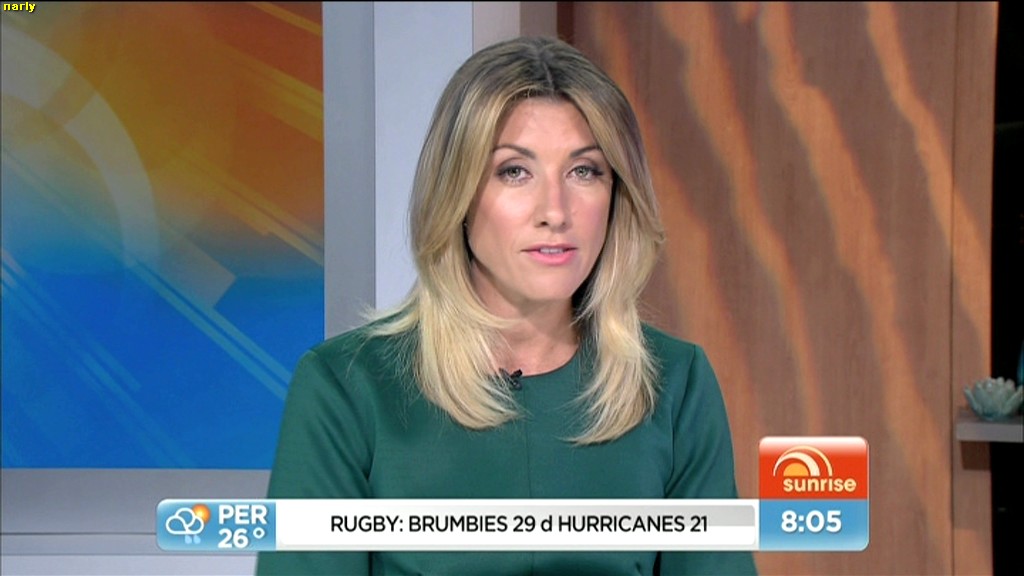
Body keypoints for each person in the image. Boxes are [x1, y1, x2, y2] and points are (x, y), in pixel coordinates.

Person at [256, 35, 757, 576]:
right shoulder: (347, 387)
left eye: (584, 171)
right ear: (458, 193)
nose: (555, 211)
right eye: (515, 171)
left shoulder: (675, 384)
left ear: (617, 196)